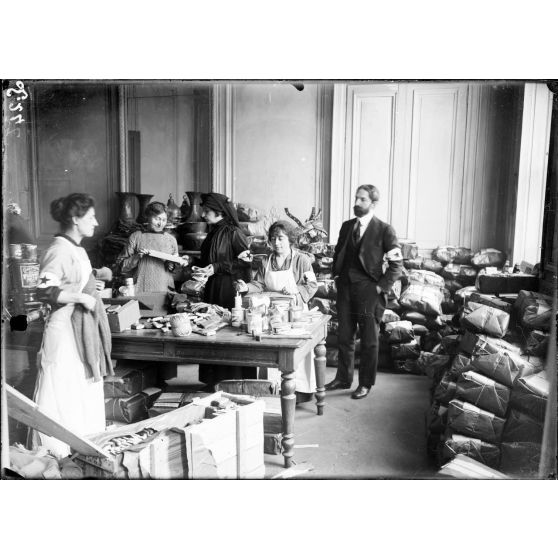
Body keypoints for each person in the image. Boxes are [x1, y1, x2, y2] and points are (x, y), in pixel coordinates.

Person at [32, 193, 115, 457]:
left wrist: (92, 284)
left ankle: (84, 447)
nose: (96, 222)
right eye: (91, 217)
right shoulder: (58, 248)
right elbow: (44, 290)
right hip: (65, 328)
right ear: (75, 219)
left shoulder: (76, 248)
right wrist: (81, 296)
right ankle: (59, 451)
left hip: (78, 326)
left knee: (81, 386)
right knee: (64, 386)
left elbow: (74, 279)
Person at [325, 185, 403, 399]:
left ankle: (366, 383)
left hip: (370, 291)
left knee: (369, 340)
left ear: (373, 204)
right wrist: (337, 275)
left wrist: (380, 287)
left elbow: (397, 264)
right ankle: (343, 378)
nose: (357, 203)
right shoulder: (347, 226)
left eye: (362, 200)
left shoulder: (385, 230)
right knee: (344, 337)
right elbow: (340, 253)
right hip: (346, 290)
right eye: (356, 198)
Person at [236, 220, 319, 394]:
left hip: (293, 314)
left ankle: (300, 392)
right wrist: (246, 288)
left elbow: (312, 285)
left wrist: (296, 290)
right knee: (272, 354)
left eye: (281, 238)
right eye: (273, 239)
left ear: (290, 239)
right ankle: (271, 392)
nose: (276, 243)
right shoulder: (266, 260)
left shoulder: (301, 260)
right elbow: (258, 284)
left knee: (294, 354)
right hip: (271, 314)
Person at [195, 192, 254, 387]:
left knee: (229, 332)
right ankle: (214, 381)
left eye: (207, 211)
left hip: (230, 289)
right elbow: (208, 260)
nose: (203, 215)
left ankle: (233, 382)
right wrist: (195, 265)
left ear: (218, 211)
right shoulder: (212, 232)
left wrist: (218, 267)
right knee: (212, 330)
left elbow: (245, 262)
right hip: (213, 288)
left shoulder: (234, 232)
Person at [116, 201, 189, 293]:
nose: (160, 224)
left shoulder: (171, 239)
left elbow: (176, 272)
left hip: (164, 290)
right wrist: (137, 257)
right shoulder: (136, 237)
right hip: (139, 289)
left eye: (164, 220)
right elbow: (122, 267)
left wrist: (175, 265)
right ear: (148, 217)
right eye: (157, 219)